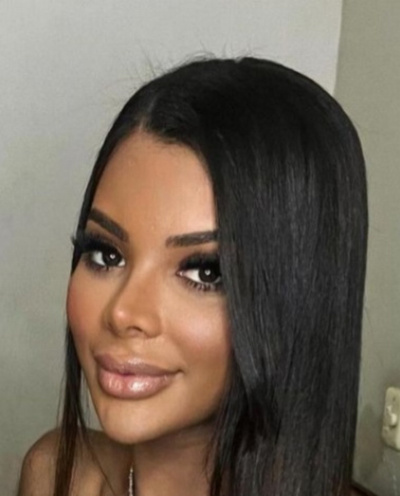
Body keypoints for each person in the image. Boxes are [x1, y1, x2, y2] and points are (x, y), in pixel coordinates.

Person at [18, 57, 368, 496]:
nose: (124, 312)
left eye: (205, 271)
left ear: (297, 299)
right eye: (107, 254)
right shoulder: (57, 475)